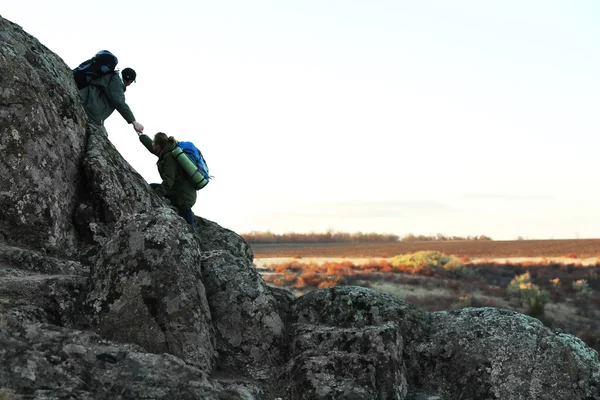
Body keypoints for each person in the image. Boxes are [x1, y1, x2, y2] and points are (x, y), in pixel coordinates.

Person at [138, 131, 197, 228]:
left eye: (154, 143)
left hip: (183, 196)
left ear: (158, 146)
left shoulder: (169, 157)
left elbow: (169, 180)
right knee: (151, 186)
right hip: (180, 191)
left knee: (189, 226)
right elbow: (151, 147)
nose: (152, 145)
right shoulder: (166, 150)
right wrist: (141, 135)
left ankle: (194, 232)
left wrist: (156, 196)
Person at [79, 67, 144, 134]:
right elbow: (120, 102)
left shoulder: (112, 76)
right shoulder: (116, 82)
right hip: (91, 105)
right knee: (99, 134)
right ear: (130, 81)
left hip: (89, 99)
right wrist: (134, 122)